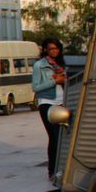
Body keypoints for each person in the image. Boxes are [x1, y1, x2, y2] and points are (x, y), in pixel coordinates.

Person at [32, 38, 66, 180]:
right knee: (55, 137)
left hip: (62, 103)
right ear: (46, 49)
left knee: (64, 137)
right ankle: (52, 171)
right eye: (51, 48)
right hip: (47, 102)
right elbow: (35, 87)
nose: (54, 51)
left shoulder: (62, 64)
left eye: (56, 48)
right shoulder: (39, 65)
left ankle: (62, 168)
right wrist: (54, 81)